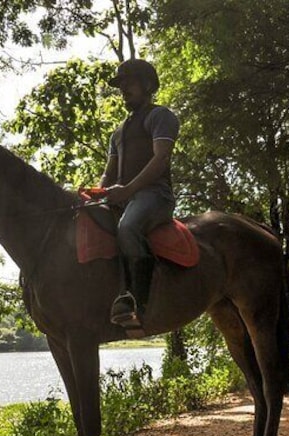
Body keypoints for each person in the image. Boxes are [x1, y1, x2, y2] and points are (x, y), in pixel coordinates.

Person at [98, 58, 180, 329]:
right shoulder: (118, 132)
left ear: (147, 85)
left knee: (128, 227)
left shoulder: (160, 116)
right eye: (120, 85)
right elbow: (108, 174)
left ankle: (138, 303)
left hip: (154, 195)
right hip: (125, 198)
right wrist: (97, 194)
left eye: (128, 83)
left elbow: (160, 160)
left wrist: (129, 190)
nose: (123, 89)